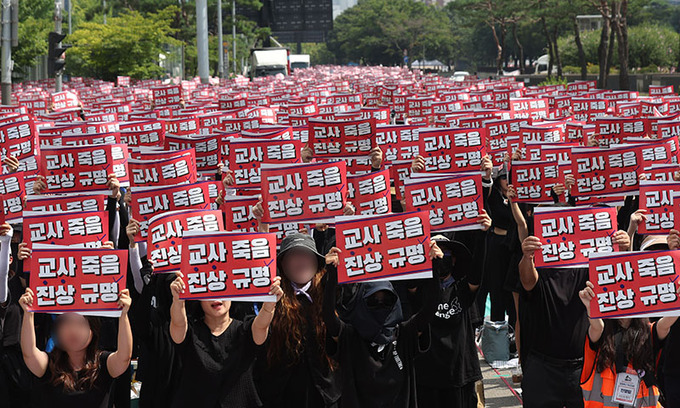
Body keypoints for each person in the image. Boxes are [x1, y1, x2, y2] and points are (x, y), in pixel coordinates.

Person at [518, 226, 631, 408]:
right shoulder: (539, 265)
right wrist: (527, 256)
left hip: (585, 365)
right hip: (543, 365)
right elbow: (527, 281)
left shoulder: (588, 263)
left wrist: (623, 246)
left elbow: (619, 280)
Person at [323, 241, 443, 408]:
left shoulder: (404, 334)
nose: (381, 305)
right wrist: (332, 275)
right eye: (373, 301)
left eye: (387, 301)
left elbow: (429, 309)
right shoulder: (350, 336)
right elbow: (329, 316)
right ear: (362, 304)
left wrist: (434, 266)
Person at [168, 273, 283, 408]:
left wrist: (269, 306)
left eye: (222, 289)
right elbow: (178, 324)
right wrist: (178, 299)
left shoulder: (245, 329)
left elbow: (261, 326)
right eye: (209, 291)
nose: (216, 298)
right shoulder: (190, 331)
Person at [254, 233, 341, 408]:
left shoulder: (330, 291)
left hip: (326, 395)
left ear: (318, 262)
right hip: (281, 396)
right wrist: (262, 227)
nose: (301, 261)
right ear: (282, 265)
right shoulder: (270, 298)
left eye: (307, 255)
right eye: (294, 255)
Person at [414, 211, 490, 408]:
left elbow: (477, 275)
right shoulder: (419, 289)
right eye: (436, 253)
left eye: (446, 254)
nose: (441, 258)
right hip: (428, 376)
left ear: (454, 260)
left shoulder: (461, 289)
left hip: (459, 375)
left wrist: (482, 234)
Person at [18, 287, 133, 407]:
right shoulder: (49, 365)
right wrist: (28, 313)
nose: (73, 331)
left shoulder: (104, 364)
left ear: (92, 330)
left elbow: (124, 356)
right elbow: (29, 353)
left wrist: (123, 315)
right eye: (67, 324)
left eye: (80, 324)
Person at [579, 281, 677, 407]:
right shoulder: (603, 333)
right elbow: (597, 327)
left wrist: (677, 300)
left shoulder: (648, 333)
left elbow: (666, 323)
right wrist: (590, 306)